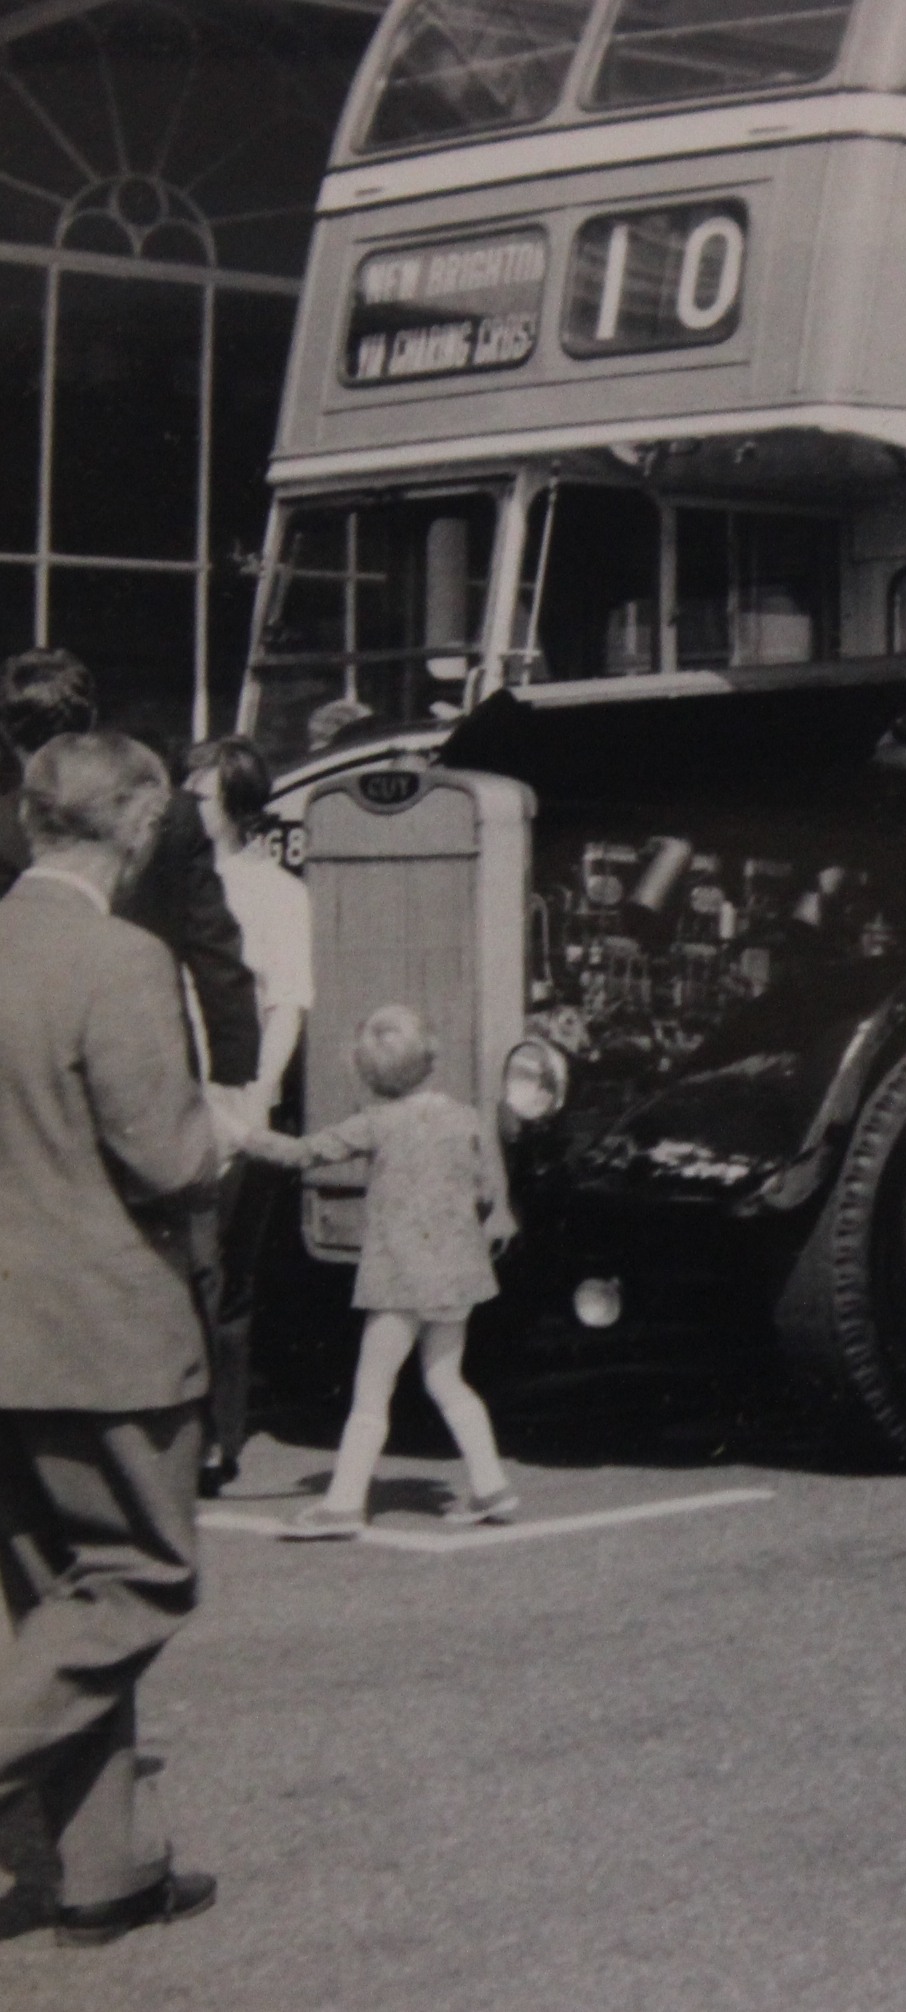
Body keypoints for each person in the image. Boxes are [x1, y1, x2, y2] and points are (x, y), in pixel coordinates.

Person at [0, 731, 221, 1946]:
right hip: (105, 1332)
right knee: (140, 1577)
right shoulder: (120, 958)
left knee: (57, 1595)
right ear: (134, 822)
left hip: (6, 1331)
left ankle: (102, 1874)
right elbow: (169, 1157)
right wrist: (223, 1130)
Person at [239, 1005, 520, 1537]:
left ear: (366, 1074)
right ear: (432, 1058)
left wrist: (244, 1135)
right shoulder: (464, 1118)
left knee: (372, 1392)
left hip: (398, 1277)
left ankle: (343, 1503)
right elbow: (485, 1193)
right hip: (456, 1275)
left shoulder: (375, 1123)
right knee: (447, 1378)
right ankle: (491, 1485)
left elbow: (301, 1154)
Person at [0, 650, 259, 1094]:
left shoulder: (6, 825)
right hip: (152, 1065)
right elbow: (215, 952)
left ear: (6, 732)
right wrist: (233, 1080)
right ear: (93, 716)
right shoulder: (172, 814)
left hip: (33, 1083)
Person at [182, 737, 314, 1495]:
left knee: (225, 1275)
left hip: (242, 1102)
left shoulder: (275, 894)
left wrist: (259, 1095)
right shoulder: (168, 884)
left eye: (199, 797)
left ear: (236, 806)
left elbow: (287, 1002)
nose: (186, 810)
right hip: (174, 1096)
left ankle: (214, 1441)